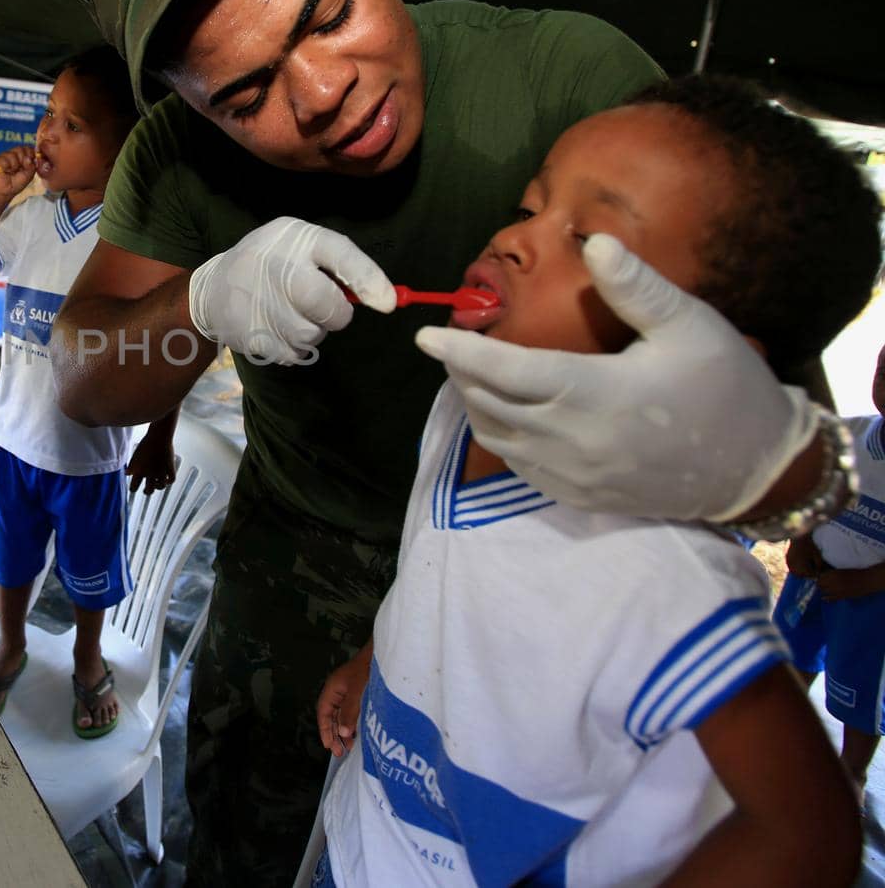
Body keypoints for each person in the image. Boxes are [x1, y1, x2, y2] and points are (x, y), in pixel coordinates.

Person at [52, 0, 856, 878]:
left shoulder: (570, 88)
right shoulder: (174, 164)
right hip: (305, 568)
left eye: (328, 12)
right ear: (187, 107)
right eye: (246, 94)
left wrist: (747, 459)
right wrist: (197, 306)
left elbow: (809, 475)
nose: (324, 91)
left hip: (557, 589)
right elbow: (84, 383)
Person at [310, 76, 875, 886]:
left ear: (701, 361)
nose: (513, 238)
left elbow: (811, 834)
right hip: (364, 846)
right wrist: (381, 658)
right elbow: (444, 574)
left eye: (589, 238)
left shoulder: (663, 573)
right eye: (529, 204)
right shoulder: (464, 404)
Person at [0, 46, 177, 737]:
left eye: (72, 126)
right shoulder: (29, 220)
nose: (46, 135)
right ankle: (10, 646)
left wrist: (159, 437)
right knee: (11, 565)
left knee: (89, 578)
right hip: (15, 441)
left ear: (122, 149)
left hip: (90, 458)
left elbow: (166, 352)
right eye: (48, 116)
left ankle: (86, 652)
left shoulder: (135, 243)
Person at [774, 337, 885, 800]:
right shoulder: (850, 435)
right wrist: (800, 540)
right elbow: (810, 492)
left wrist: (868, 580)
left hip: (873, 603)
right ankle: (777, 743)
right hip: (812, 579)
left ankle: (850, 775)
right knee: (788, 660)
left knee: (862, 698)